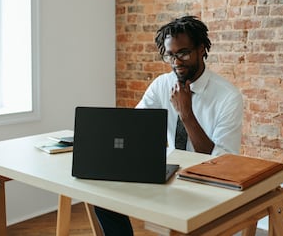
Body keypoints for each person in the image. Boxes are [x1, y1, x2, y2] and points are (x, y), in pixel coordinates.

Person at [94, 15, 243, 235]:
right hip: (169, 172)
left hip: (206, 182)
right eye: (170, 55)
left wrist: (186, 114)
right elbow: (134, 127)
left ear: (202, 49)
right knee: (103, 197)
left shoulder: (227, 97)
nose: (176, 62)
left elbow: (221, 162)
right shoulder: (162, 85)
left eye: (183, 53)